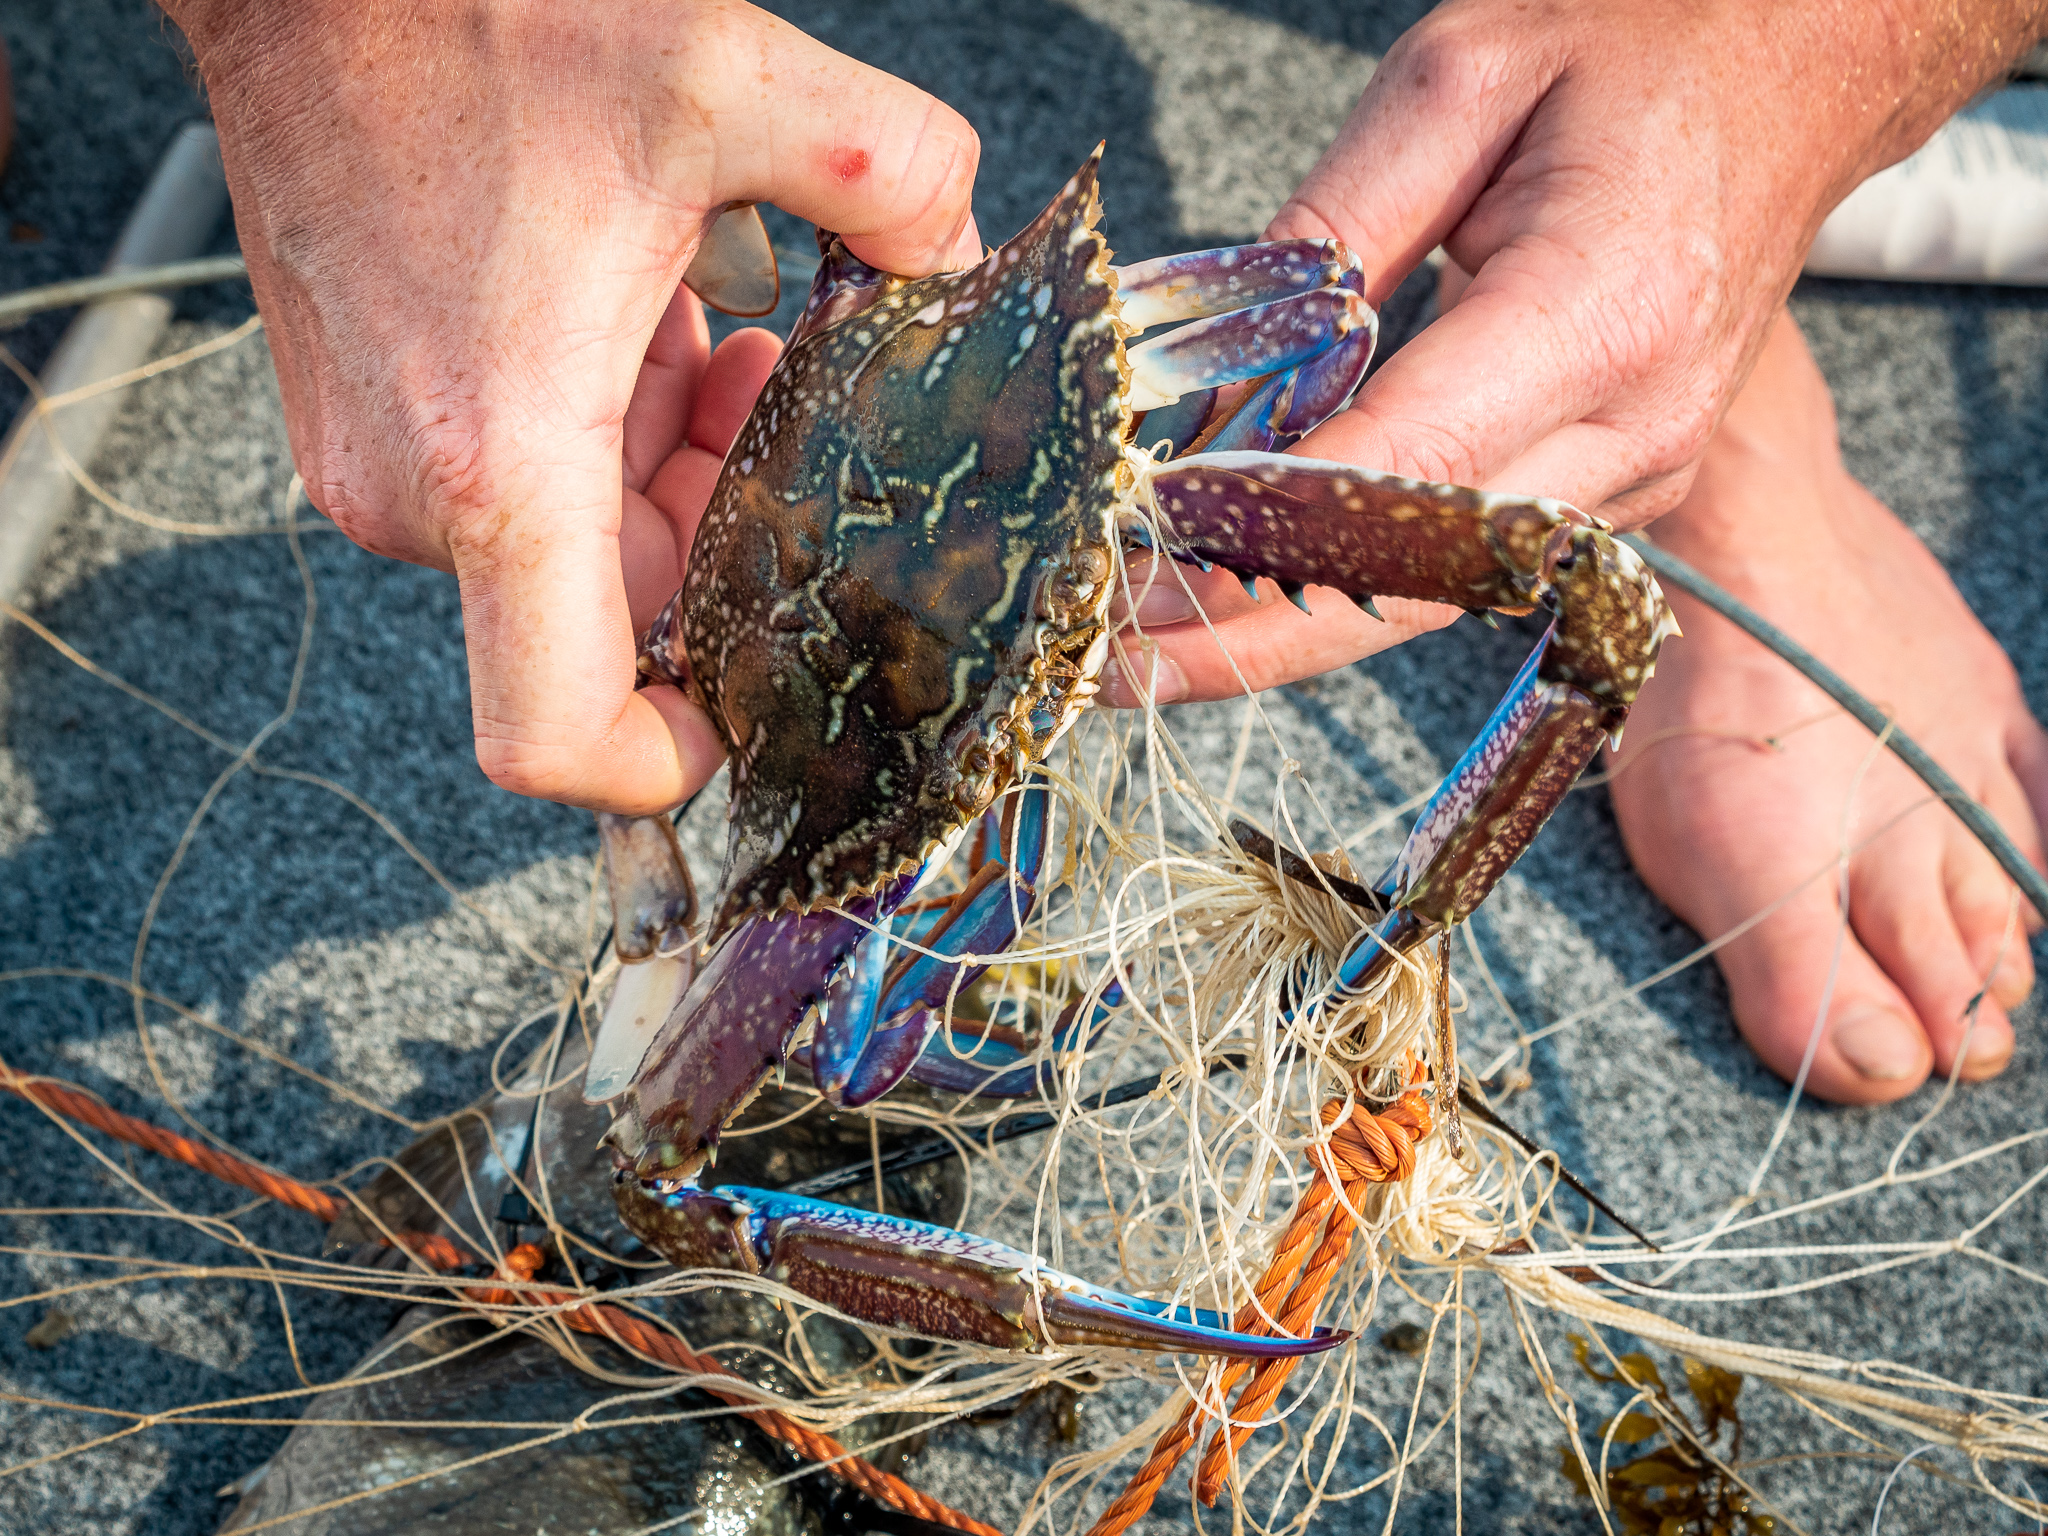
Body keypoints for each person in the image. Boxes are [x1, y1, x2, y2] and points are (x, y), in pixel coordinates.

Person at [166, 0, 2046, 1106]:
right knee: (682, 1144)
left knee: (1583, 554)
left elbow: (1333, 335)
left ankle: (1706, 377)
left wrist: (1802, 54)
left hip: (1092, 410)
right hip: (993, 455)